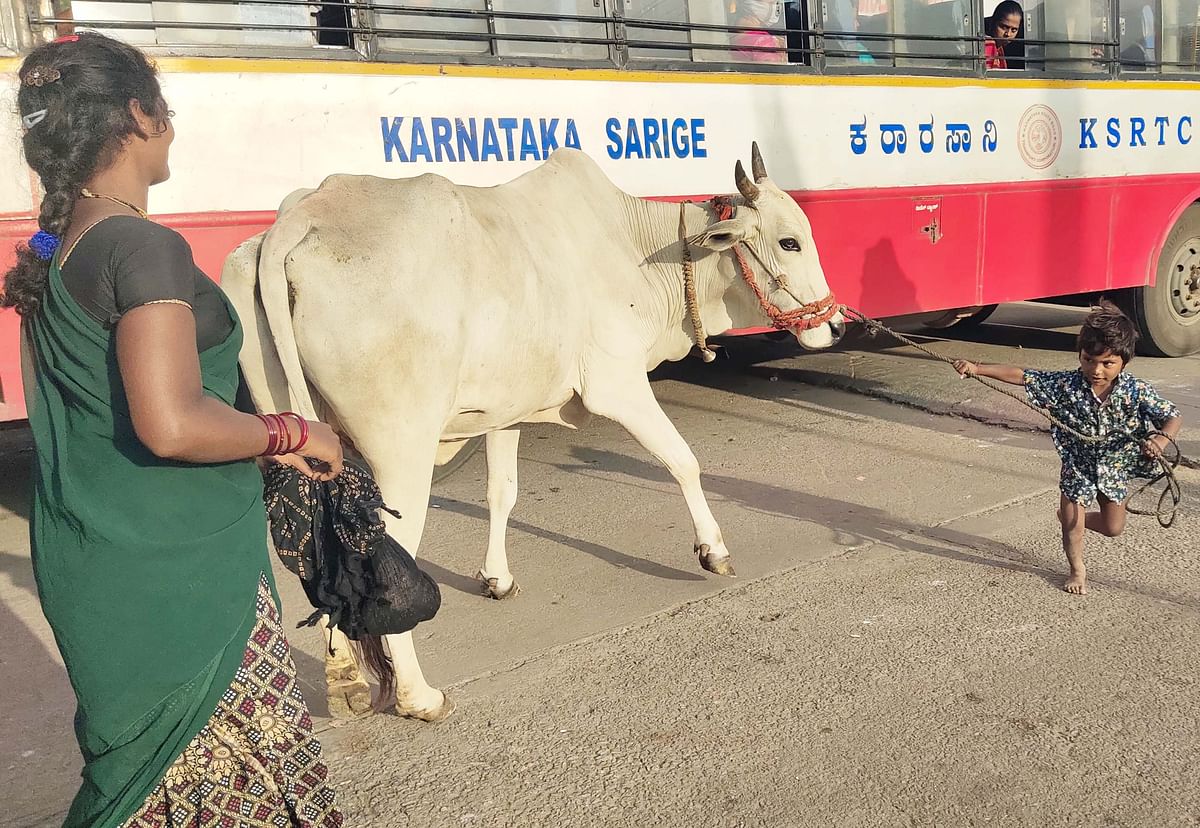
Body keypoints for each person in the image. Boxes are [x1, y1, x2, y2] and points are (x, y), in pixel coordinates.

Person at [3, 32, 346, 827]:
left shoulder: (62, 243)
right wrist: (295, 434)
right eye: (168, 111)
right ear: (137, 114)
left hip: (101, 559)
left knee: (152, 787)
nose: (174, 128)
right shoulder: (142, 244)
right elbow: (171, 423)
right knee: (214, 783)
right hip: (177, 571)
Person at [952, 302, 1181, 597]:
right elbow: (1023, 375)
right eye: (1088, 360)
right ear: (1080, 355)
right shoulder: (1065, 384)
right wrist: (976, 368)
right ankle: (1076, 568)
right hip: (1078, 465)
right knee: (1073, 522)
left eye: (1107, 363)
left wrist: (1160, 440)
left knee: (1113, 528)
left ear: (1124, 361)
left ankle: (1073, 517)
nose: (1096, 370)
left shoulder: (1136, 390)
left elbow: (1172, 416)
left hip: (1114, 466)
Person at [983, 0, 1022, 69]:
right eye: (1004, 27)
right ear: (993, 23)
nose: (1008, 34)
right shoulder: (988, 43)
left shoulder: (999, 48)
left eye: (1014, 30)